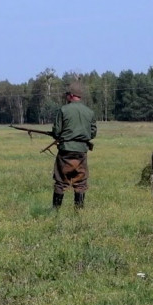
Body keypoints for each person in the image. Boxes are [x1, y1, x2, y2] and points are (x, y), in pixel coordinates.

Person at [51, 81, 97, 209]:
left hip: (66, 151)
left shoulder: (63, 110)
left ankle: (55, 213)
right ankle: (79, 214)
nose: (66, 97)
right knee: (81, 182)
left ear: (71, 95)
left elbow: (57, 132)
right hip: (81, 152)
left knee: (60, 182)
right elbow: (92, 133)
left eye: (67, 95)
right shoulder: (89, 112)